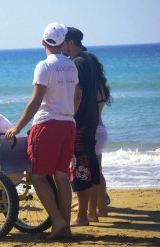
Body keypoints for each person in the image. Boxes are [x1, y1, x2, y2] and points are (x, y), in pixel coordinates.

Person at [5, 22, 78, 239]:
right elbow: (76, 96)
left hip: (47, 125)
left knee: (37, 176)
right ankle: (65, 225)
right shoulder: (72, 66)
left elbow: (36, 101)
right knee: (61, 176)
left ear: (43, 42)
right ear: (64, 43)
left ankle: (57, 221)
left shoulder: (44, 66)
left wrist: (17, 126)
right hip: (68, 124)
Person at [61, 27, 100, 226]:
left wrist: (69, 116)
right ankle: (92, 213)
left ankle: (82, 216)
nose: (62, 47)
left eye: (64, 43)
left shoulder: (76, 63)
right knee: (90, 164)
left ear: (71, 42)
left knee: (80, 167)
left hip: (81, 122)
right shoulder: (89, 60)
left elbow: (77, 94)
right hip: (91, 119)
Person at [88, 53, 113, 217]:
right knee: (98, 171)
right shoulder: (102, 86)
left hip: (93, 130)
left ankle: (93, 209)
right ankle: (101, 208)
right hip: (101, 129)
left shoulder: (91, 87)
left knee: (91, 172)